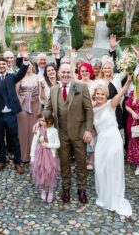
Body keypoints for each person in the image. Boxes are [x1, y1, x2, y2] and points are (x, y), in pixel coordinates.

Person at [47, 63, 94, 204]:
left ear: (72, 73)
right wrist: (40, 120)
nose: (66, 75)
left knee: (81, 162)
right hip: (61, 133)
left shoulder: (81, 87)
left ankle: (82, 189)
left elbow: (89, 110)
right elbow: (48, 108)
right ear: (59, 73)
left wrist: (88, 130)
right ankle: (66, 188)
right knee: (64, 162)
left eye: (68, 72)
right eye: (63, 72)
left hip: (79, 132)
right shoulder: (54, 89)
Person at [0, 47, 30, 174]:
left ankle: (18, 162)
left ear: (7, 65)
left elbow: (22, 73)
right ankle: (1, 161)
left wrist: (25, 60)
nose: (1, 66)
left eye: (3, 64)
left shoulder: (12, 77)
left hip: (10, 113)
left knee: (14, 138)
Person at [93, 75, 133, 216]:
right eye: (97, 94)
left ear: (106, 95)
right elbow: (92, 130)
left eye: (102, 94)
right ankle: (104, 196)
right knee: (100, 168)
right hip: (102, 142)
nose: (100, 96)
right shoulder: (91, 111)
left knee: (113, 168)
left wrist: (128, 81)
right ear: (94, 95)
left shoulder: (110, 104)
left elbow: (122, 91)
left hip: (114, 140)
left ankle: (113, 197)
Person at [30, 110, 60, 203]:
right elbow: (34, 143)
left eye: (43, 121)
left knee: (50, 173)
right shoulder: (38, 130)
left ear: (49, 121)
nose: (41, 123)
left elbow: (58, 144)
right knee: (41, 172)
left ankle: (50, 191)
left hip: (50, 156)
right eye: (40, 120)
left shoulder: (54, 131)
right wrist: (32, 156)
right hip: (39, 155)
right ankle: (43, 189)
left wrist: (47, 145)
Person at [16, 61, 40, 163]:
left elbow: (40, 92)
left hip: (35, 104)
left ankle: (34, 155)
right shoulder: (19, 77)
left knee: (34, 130)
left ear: (32, 66)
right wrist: (20, 104)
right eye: (25, 65)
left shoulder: (37, 77)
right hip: (23, 105)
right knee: (22, 131)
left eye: (29, 65)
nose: (28, 67)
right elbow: (16, 93)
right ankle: (23, 156)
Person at [77, 63, 96, 170]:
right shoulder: (76, 84)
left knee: (91, 134)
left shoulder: (95, 83)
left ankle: (91, 160)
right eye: (82, 71)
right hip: (79, 113)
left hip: (92, 112)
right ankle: (81, 159)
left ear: (90, 71)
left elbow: (98, 97)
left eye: (86, 70)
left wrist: (90, 107)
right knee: (80, 136)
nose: (84, 73)